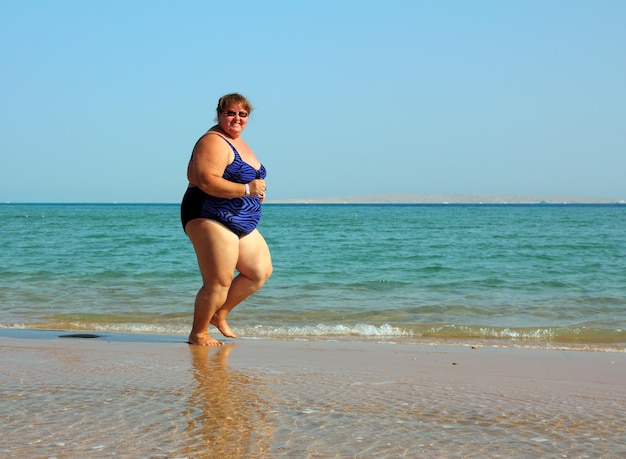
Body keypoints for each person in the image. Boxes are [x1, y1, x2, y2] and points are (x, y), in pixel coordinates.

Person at [181, 93, 272, 346]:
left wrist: (255, 193)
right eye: (231, 113)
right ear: (219, 114)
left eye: (242, 114)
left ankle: (219, 314)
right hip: (210, 215)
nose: (237, 118)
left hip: (241, 218)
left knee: (258, 271)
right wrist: (246, 190)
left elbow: (245, 179)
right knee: (218, 282)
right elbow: (205, 180)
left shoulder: (240, 142)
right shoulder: (213, 141)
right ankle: (198, 333)